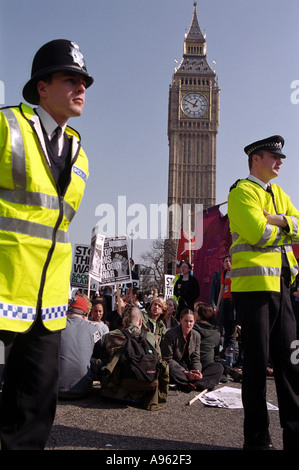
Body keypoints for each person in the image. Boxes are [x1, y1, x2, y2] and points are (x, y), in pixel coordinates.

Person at [0, 39, 93, 450]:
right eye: (70, 79)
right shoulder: (7, 128)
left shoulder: (82, 155)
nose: (81, 88)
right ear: (42, 86)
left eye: (84, 82)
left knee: (35, 414)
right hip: (3, 292)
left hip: (49, 308)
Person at [228, 135, 299, 450]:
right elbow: (257, 233)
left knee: (291, 363)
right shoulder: (241, 192)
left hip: (283, 287)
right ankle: (257, 441)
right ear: (256, 158)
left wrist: (278, 220)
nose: (280, 161)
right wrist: (285, 227)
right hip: (254, 288)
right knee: (256, 367)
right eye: (274, 156)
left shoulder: (280, 193)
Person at [100, 302, 169, 410]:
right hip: (145, 393)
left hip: (115, 394)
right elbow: (159, 362)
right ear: (140, 322)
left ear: (123, 322)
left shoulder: (111, 336)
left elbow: (103, 358)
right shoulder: (153, 337)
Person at [161, 309, 223, 392]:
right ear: (180, 320)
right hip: (177, 367)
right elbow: (167, 358)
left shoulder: (196, 335)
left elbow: (196, 357)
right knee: (168, 369)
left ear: (194, 322)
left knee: (218, 367)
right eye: (186, 321)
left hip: (189, 366)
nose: (188, 324)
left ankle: (194, 384)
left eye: (191, 321)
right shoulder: (171, 334)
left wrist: (196, 371)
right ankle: (191, 383)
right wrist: (185, 372)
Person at [58, 295, 102, 399]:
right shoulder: (93, 329)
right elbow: (99, 354)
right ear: (86, 312)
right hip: (83, 389)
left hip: (56, 389)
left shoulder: (57, 327)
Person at [215, 255, 237, 359]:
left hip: (234, 302)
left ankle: (231, 353)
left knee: (232, 330)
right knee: (226, 329)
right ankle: (225, 351)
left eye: (229, 261)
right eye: (225, 261)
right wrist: (218, 305)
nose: (228, 263)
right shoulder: (224, 273)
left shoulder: (236, 271)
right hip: (225, 301)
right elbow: (221, 289)